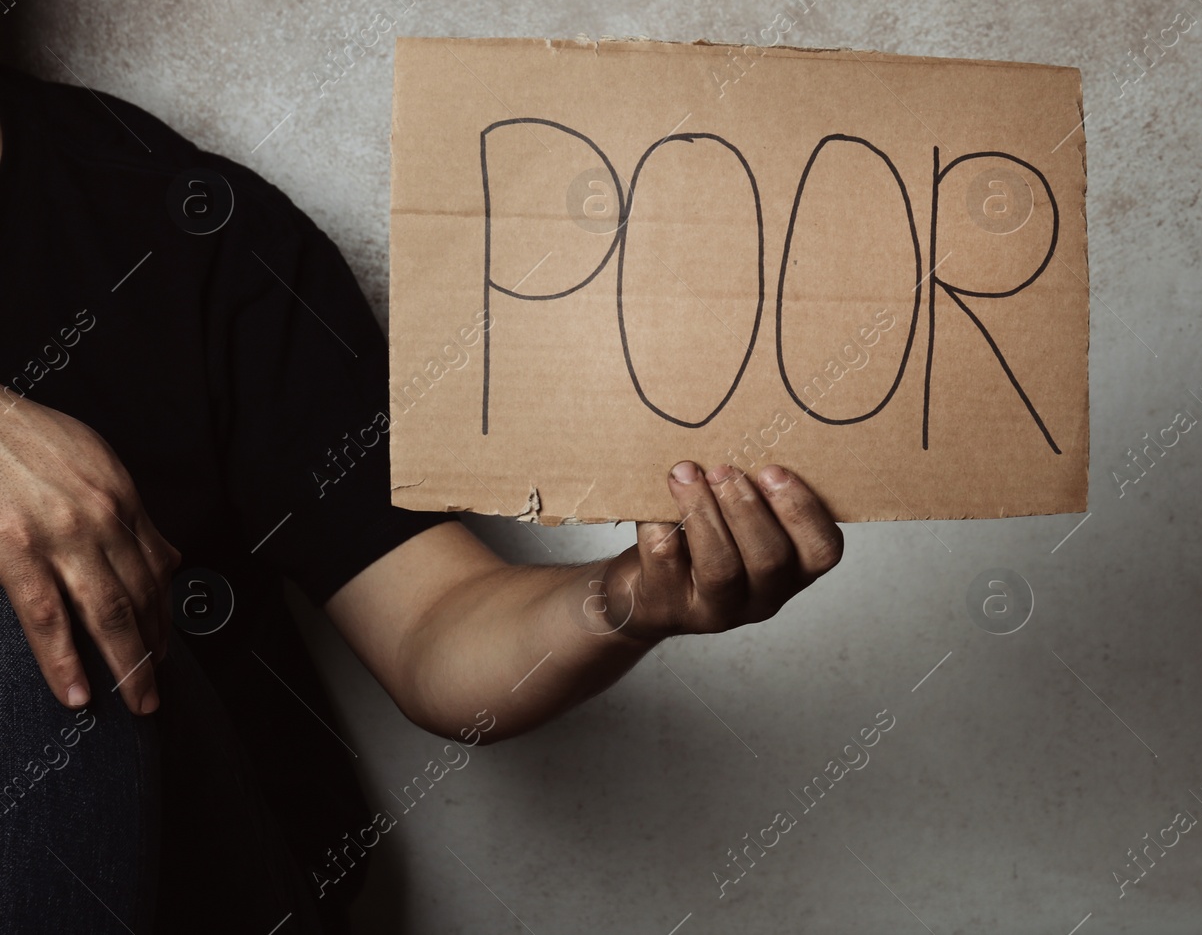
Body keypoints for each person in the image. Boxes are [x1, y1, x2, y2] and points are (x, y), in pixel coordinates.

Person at [0, 64, 843, 933]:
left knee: (31, 587)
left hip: (198, 886)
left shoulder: (179, 221)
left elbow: (430, 622)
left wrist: (631, 598)